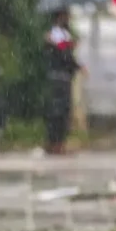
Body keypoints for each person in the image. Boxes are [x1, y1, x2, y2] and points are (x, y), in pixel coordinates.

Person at [43, 9, 86, 155]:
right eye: (66, 15)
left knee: (61, 110)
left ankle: (57, 142)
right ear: (60, 17)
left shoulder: (61, 34)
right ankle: (55, 143)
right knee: (59, 111)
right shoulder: (56, 35)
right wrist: (69, 49)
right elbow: (63, 55)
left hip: (62, 76)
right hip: (59, 77)